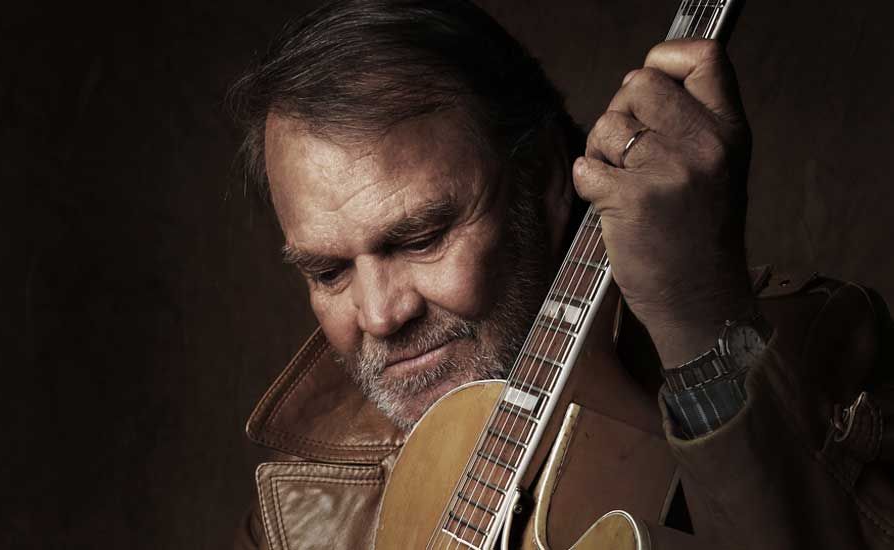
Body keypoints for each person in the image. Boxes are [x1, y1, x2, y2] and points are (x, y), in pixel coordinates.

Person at [227, 1, 894, 548]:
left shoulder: (819, 349)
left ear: (544, 182)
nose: (378, 315)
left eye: (421, 238)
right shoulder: (302, 507)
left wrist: (696, 316)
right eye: (329, 271)